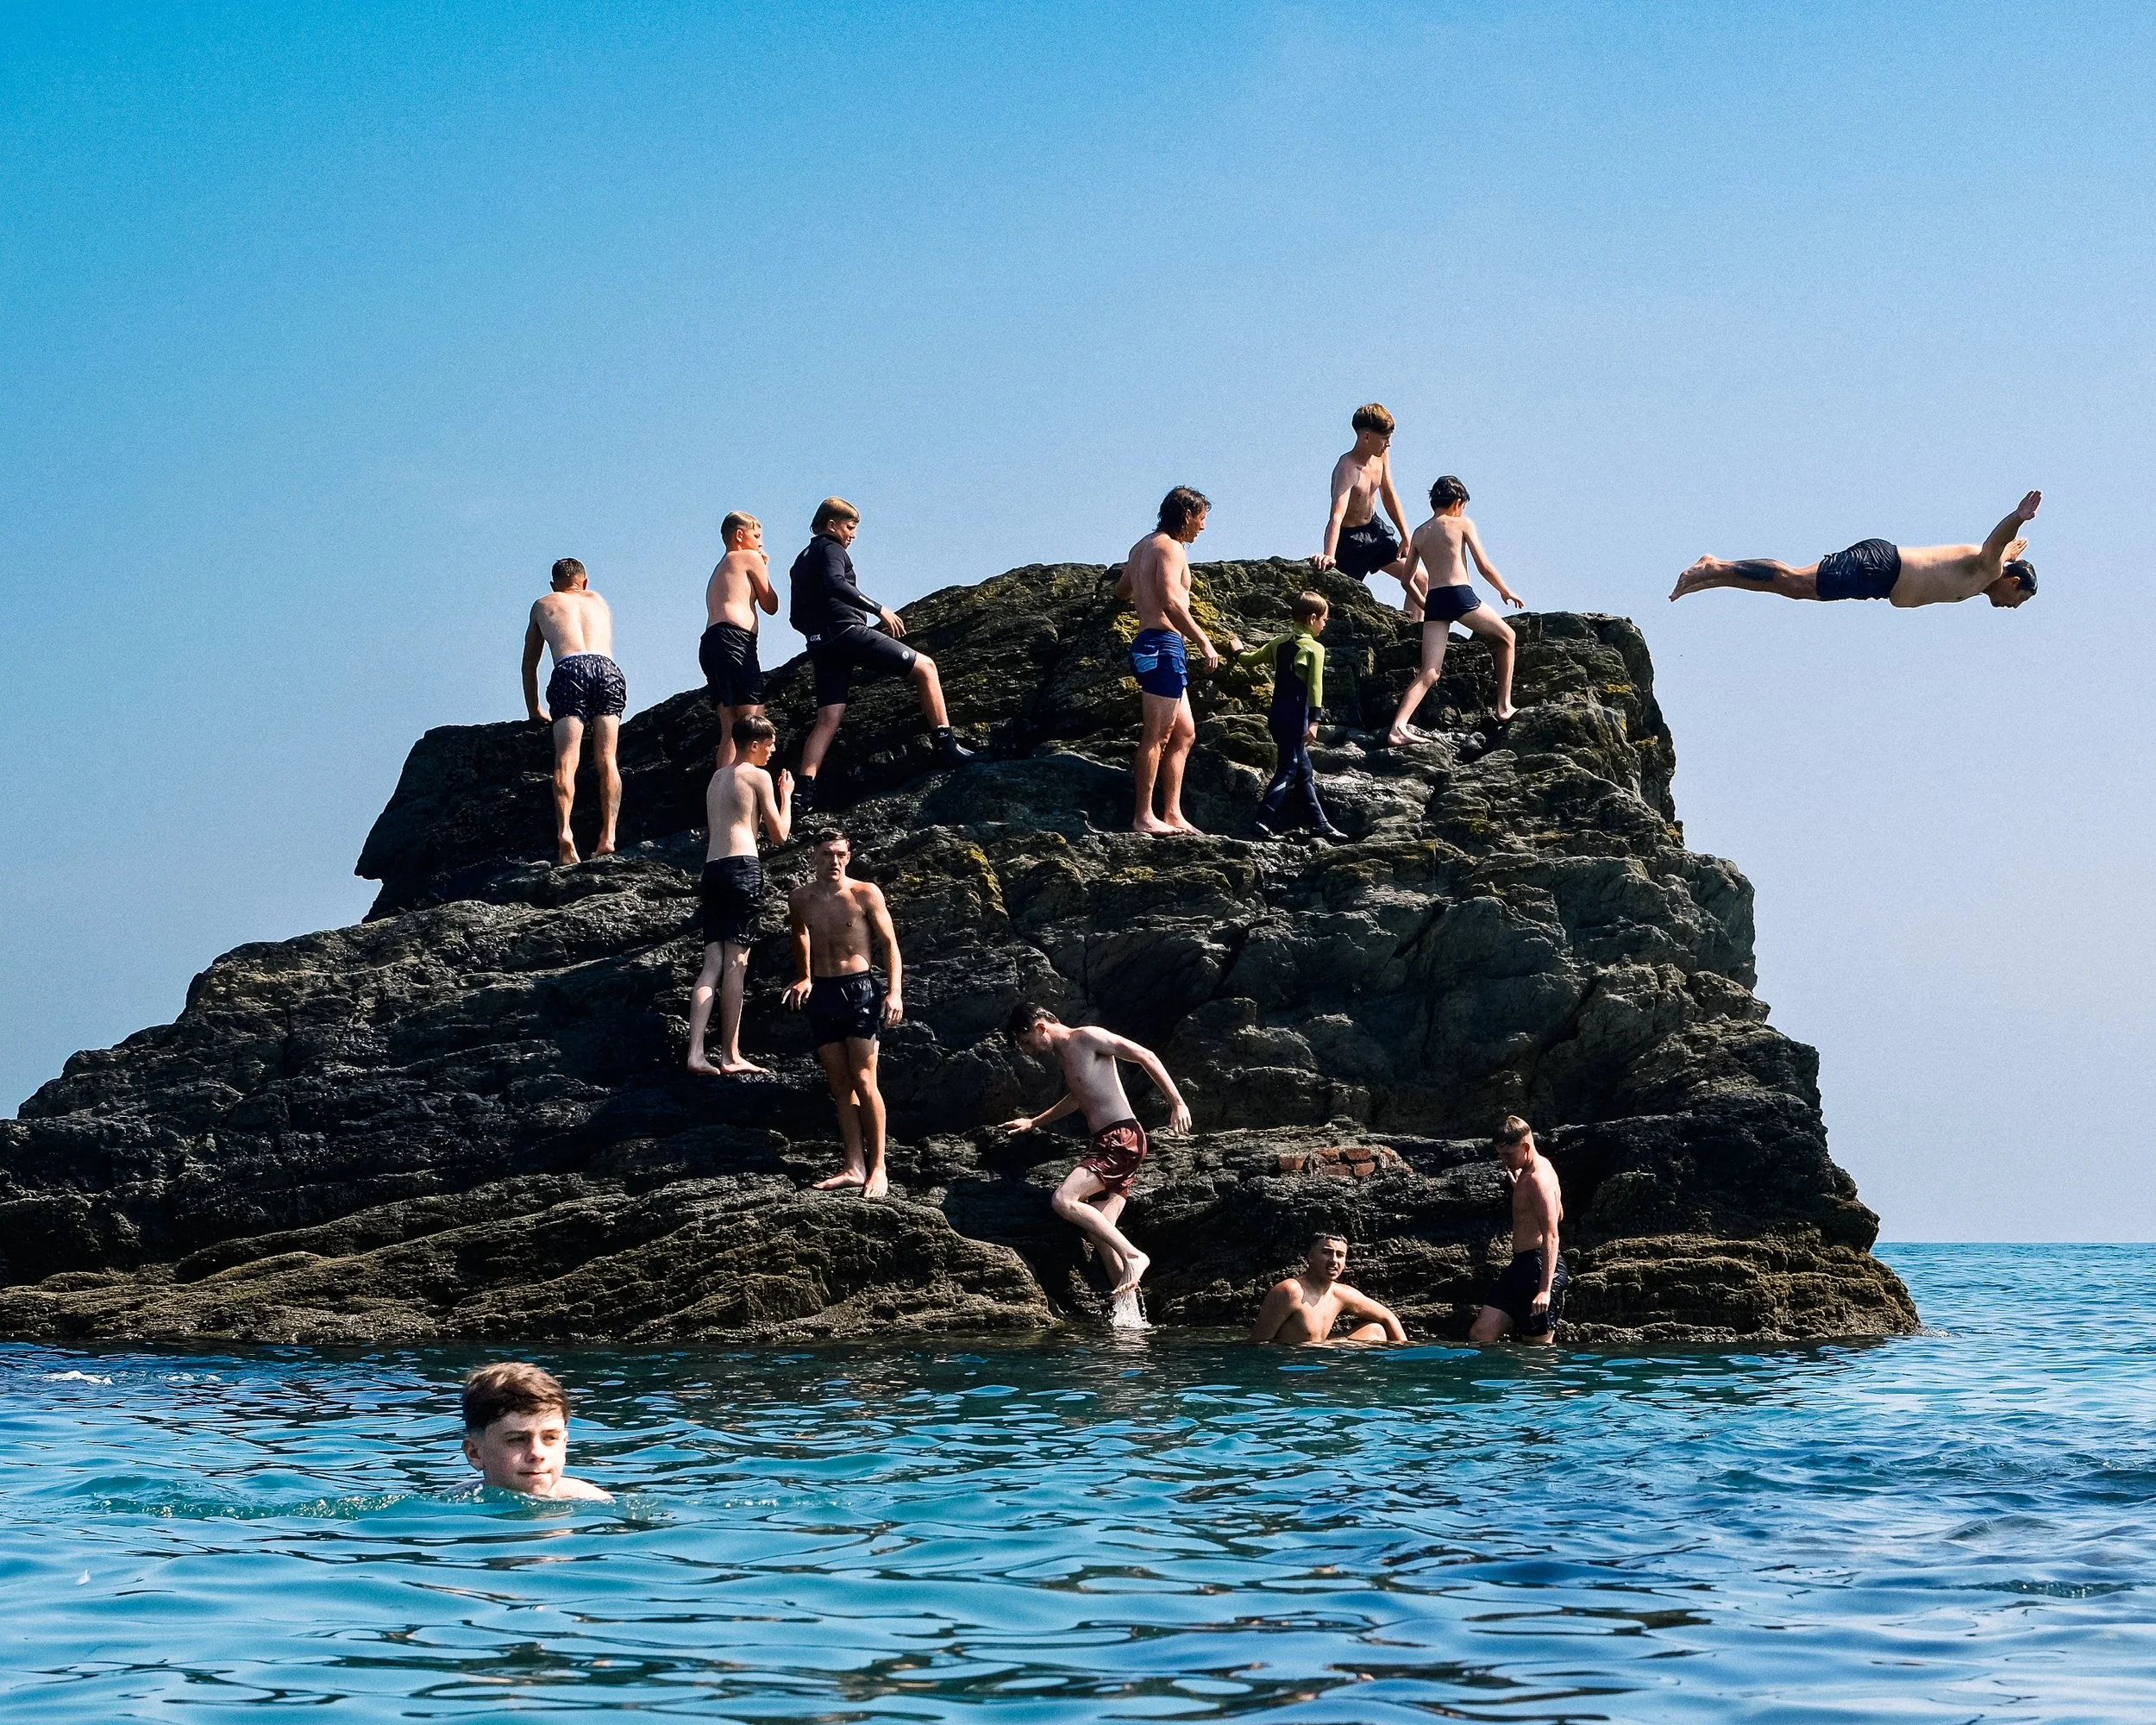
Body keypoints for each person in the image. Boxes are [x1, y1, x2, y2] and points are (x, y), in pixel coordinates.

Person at [787, 498, 972, 814]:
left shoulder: (800, 561)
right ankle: (948, 747)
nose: (853, 535)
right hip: (847, 633)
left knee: (828, 719)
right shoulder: (831, 548)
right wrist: (879, 610)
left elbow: (794, 618)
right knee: (926, 668)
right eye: (850, 527)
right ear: (831, 525)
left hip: (820, 644)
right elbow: (836, 583)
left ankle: (803, 795)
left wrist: (818, 633)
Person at [1002, 1002, 1192, 1298]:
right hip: (1111, 1140)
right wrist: (1033, 1122)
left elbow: (1145, 1055)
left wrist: (1177, 1102)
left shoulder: (1086, 1037)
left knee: (1063, 1200)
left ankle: (1134, 1255)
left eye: (1026, 1042)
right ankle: (1129, 1310)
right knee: (1099, 1232)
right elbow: (1077, 1098)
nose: (1027, 1051)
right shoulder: (1065, 1056)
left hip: (1120, 1138)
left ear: (1040, 1027)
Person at [1670, 490, 2041, 609]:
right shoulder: (1989, 569)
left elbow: (2004, 551)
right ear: (2012, 581)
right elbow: (1996, 544)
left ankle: (1715, 576)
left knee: (1798, 590)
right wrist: (2017, 517)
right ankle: (1715, 567)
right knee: (1796, 582)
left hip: (1879, 583)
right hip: (1882, 567)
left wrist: (2011, 551)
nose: (2014, 607)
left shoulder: (1990, 574)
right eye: (2019, 599)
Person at [784, 825, 902, 1198]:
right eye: (826, 854)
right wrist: (804, 976)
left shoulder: (864, 893)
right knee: (840, 1086)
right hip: (822, 993)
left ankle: (879, 1167)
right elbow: (799, 933)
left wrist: (895, 993)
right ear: (813, 857)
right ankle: (854, 1165)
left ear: (848, 857)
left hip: (860, 991)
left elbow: (889, 944)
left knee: (865, 1080)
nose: (834, 861)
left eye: (840, 854)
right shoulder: (800, 898)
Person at [1118, 486, 1234, 835]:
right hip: (1162, 646)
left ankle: (1172, 812)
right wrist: (1204, 642)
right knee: (1157, 734)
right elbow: (1170, 600)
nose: (1203, 526)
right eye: (1201, 518)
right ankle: (1143, 816)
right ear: (1186, 515)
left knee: (1184, 733)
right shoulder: (1170, 547)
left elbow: (1122, 591)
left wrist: (1142, 591)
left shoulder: (1141, 547)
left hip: (1150, 644)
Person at [686, 716, 793, 1077]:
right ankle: (730, 1055)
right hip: (741, 868)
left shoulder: (717, 779)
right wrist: (786, 796)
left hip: (712, 870)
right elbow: (780, 835)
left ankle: (696, 1052)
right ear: (754, 745)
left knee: (711, 964)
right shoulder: (757, 776)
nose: (773, 751)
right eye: (770, 745)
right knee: (736, 963)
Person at [1386, 477, 1526, 747]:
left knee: (1429, 671)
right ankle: (1504, 706)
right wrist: (1505, 591)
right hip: (1459, 595)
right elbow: (1484, 566)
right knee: (1507, 637)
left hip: (1436, 599)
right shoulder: (1462, 524)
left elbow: (1406, 580)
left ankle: (1398, 727)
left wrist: (1424, 604)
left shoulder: (1420, 532)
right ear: (1457, 503)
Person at [522, 557, 626, 866]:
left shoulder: (544, 604)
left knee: (566, 760)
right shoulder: (599, 601)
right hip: (607, 669)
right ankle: (608, 837)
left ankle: (565, 834)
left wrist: (534, 708)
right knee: (607, 759)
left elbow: (529, 664)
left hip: (569, 669)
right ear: (585, 582)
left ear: (553, 585)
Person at [1237, 592, 1346, 841]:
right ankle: (1262, 821)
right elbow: (1315, 687)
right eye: (1324, 620)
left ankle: (1320, 824)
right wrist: (1315, 721)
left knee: (1304, 771)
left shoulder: (1278, 642)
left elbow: (1249, 660)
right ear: (1312, 618)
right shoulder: (1314, 648)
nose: (1325, 625)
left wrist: (1237, 650)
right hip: (1297, 718)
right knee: (1289, 768)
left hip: (1277, 715)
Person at [1311, 403, 1418, 617]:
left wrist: (1406, 536)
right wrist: (1329, 555)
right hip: (1351, 542)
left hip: (1375, 531)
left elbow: (1388, 494)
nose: (1388, 444)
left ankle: (1414, 631)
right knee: (1336, 607)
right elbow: (1336, 516)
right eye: (1384, 438)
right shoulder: (1347, 468)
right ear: (1367, 436)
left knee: (1420, 580)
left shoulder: (1381, 456)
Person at [1469, 1115, 1567, 1345]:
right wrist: (1521, 1193)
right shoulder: (1533, 1171)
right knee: (1481, 1335)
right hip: (1520, 1265)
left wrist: (1544, 1290)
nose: (1504, 1161)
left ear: (1525, 1147)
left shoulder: (1537, 1180)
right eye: (1500, 1155)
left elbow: (1552, 1235)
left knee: (1536, 1350)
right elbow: (1559, 1213)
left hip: (1539, 1268)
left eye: (1508, 1155)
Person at [459, 1361, 611, 1501]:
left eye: (550, 1438)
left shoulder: (594, 1502)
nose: (537, 1454)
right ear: (475, 1453)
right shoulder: (459, 1500)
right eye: (517, 1439)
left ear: (564, 1445)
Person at [700, 511, 778, 770]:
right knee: (753, 721)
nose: (761, 543)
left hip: (711, 641)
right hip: (736, 641)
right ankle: (750, 785)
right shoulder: (749, 557)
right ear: (740, 536)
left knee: (729, 728)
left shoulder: (721, 567)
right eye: (757, 536)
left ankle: (722, 785)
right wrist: (763, 567)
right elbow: (771, 605)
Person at [1249, 1233, 1407, 1344]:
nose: (1333, 1260)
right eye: (1327, 1252)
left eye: (1340, 1255)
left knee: (1375, 1331)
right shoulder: (1290, 1291)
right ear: (1310, 1256)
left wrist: (1405, 1356)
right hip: (1293, 1365)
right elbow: (1258, 1344)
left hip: (1323, 1358)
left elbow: (1388, 1316)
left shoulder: (1341, 1293)